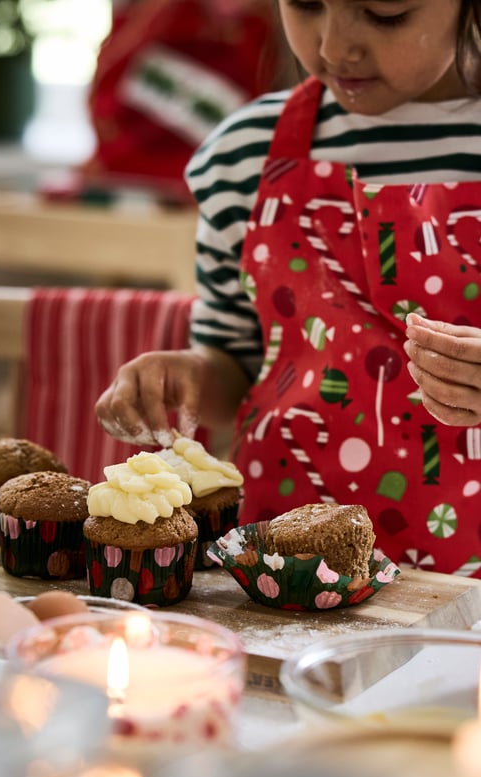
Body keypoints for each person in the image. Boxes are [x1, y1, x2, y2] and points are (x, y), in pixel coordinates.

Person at [95, 0, 481, 578]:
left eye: (385, 13)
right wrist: (186, 376)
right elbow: (236, 364)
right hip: (283, 567)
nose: (333, 47)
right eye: (305, 5)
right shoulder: (246, 153)